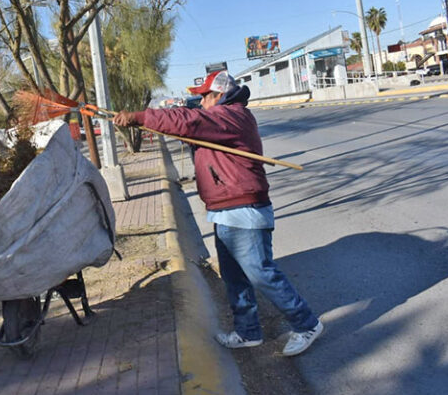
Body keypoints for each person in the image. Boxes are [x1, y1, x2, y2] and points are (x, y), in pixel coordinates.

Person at [114, 70, 323, 357]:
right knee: (234, 276)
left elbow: (191, 121)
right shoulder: (219, 116)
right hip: (224, 210)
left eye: (204, 96)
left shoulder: (232, 116)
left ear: (220, 94)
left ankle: (306, 323)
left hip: (245, 209)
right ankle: (248, 332)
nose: (200, 103)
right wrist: (154, 124)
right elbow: (185, 124)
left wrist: (141, 117)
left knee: (260, 273)